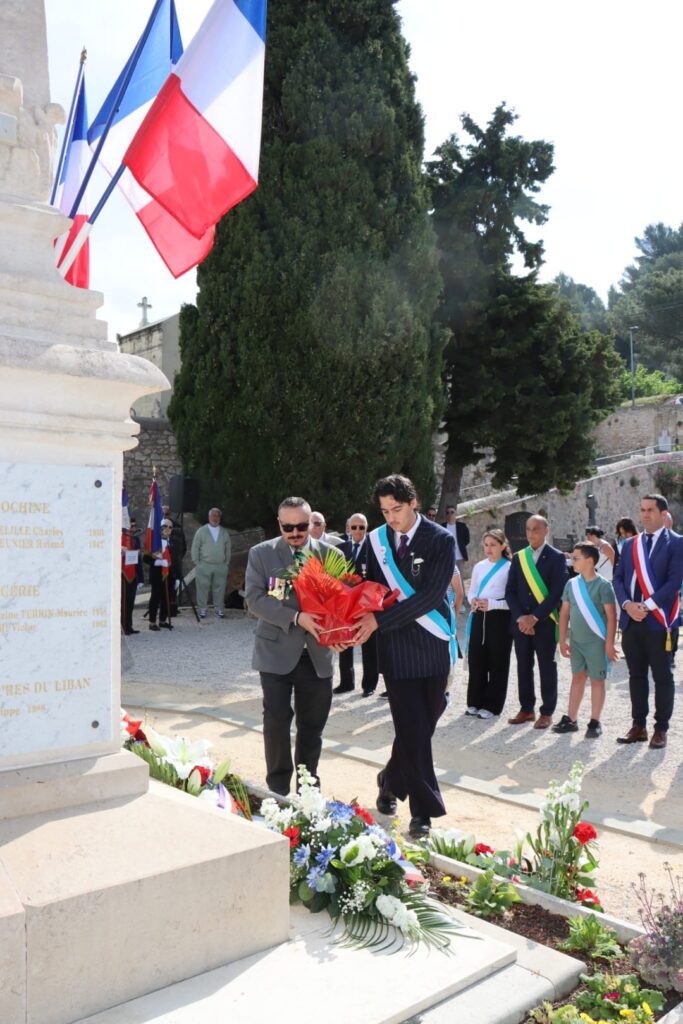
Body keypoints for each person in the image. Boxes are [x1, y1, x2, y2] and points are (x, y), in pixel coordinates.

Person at [351, 474, 456, 838]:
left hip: (433, 645)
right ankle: (423, 812)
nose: (391, 518)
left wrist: (378, 619)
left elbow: (429, 597)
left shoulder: (441, 539)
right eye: (384, 511)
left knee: (421, 728)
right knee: (412, 729)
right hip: (396, 651)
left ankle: (390, 780)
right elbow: (361, 584)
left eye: (396, 509)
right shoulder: (376, 541)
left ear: (413, 502)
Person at [245, 497, 336, 795]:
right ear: (279, 524)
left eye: (300, 526)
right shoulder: (261, 555)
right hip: (275, 655)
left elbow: (342, 602)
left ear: (310, 523)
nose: (295, 533)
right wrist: (296, 617)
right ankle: (278, 790)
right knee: (276, 723)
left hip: (318, 657)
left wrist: (342, 631)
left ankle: (308, 788)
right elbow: (255, 600)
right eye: (288, 527)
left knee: (312, 727)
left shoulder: (331, 556)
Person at [613, 493, 683, 749]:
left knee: (663, 677)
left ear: (663, 514)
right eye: (641, 509)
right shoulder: (630, 544)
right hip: (633, 620)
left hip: (659, 621)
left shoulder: (677, 543)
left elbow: (674, 582)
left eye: (650, 510)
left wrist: (647, 605)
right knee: (636, 675)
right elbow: (618, 578)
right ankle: (638, 725)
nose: (644, 514)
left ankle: (661, 728)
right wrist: (628, 605)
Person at [504, 514, 567, 729]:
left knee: (546, 666)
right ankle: (526, 708)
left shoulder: (557, 557)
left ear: (545, 531)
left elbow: (557, 592)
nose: (531, 534)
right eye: (528, 529)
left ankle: (547, 711)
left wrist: (535, 617)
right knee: (523, 665)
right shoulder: (520, 557)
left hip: (545, 622)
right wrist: (522, 617)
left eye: (536, 529)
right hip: (521, 622)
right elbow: (510, 591)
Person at [554, 542, 618, 739]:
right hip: (577, 642)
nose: (571, 561)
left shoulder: (604, 586)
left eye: (576, 558)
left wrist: (609, 643)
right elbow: (564, 613)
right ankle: (571, 719)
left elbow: (612, 616)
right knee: (577, 677)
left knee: (597, 681)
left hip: (597, 642)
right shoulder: (571, 584)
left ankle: (595, 721)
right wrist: (562, 640)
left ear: (589, 560)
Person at [465, 529, 513, 719]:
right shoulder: (479, 566)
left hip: (500, 619)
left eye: (493, 545)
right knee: (476, 659)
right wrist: (473, 601)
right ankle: (474, 701)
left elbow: (513, 599)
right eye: (486, 545)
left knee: (498, 662)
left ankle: (492, 706)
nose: (489, 549)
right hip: (479, 616)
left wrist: (493, 604)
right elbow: (472, 591)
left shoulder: (510, 567)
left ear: (503, 546)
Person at [334, 513, 380, 697]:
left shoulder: (374, 549)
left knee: (369, 645)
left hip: (366, 604)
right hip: (345, 604)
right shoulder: (340, 549)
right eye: (354, 527)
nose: (358, 531)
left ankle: (369, 684)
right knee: (345, 643)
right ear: (348, 528)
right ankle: (346, 682)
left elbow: (378, 577)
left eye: (362, 527)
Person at [191, 507, 231, 619]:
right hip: (204, 565)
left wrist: (226, 563)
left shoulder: (224, 532)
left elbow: (228, 549)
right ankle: (202, 609)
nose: (215, 518)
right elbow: (195, 547)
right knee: (202, 588)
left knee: (220, 588)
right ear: (209, 517)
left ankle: (219, 609)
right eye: (213, 515)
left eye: (217, 516)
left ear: (220, 518)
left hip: (220, 565)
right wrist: (197, 562)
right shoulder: (201, 531)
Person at [145, 519, 173, 631]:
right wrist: (156, 562)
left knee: (166, 598)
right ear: (160, 527)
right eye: (165, 526)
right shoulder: (154, 542)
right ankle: (152, 622)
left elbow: (176, 559)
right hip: (157, 574)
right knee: (155, 598)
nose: (168, 529)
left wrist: (176, 577)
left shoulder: (173, 542)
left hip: (169, 574)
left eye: (170, 527)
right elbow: (145, 558)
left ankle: (162, 620)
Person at [441, 505, 470, 583]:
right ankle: (452, 596)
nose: (450, 514)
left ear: (455, 514)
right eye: (447, 513)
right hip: (447, 559)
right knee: (448, 581)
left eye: (452, 512)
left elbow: (467, 540)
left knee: (460, 581)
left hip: (459, 558)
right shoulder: (441, 527)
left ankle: (462, 595)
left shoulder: (462, 526)